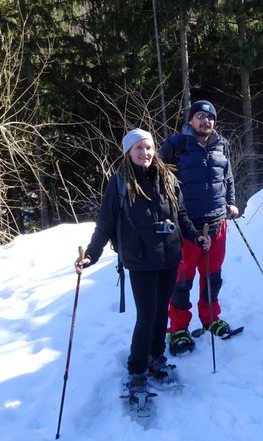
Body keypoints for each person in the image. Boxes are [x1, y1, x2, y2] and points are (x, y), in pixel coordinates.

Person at [74, 128, 211, 399]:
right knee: (147, 315)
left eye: (148, 148)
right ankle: (137, 369)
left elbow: (181, 216)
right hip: (140, 260)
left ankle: (156, 357)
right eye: (139, 148)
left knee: (162, 313)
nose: (145, 153)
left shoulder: (169, 179)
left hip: (170, 257)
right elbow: (106, 224)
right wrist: (91, 254)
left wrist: (196, 237)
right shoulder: (120, 183)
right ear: (128, 152)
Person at [159, 100, 239, 355]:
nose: (206, 121)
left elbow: (227, 176)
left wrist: (231, 202)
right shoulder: (176, 145)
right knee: (182, 280)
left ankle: (211, 319)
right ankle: (178, 328)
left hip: (217, 223)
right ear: (191, 120)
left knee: (212, 276)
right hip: (187, 225)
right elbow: (158, 178)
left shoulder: (221, 144)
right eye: (200, 116)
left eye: (210, 117)